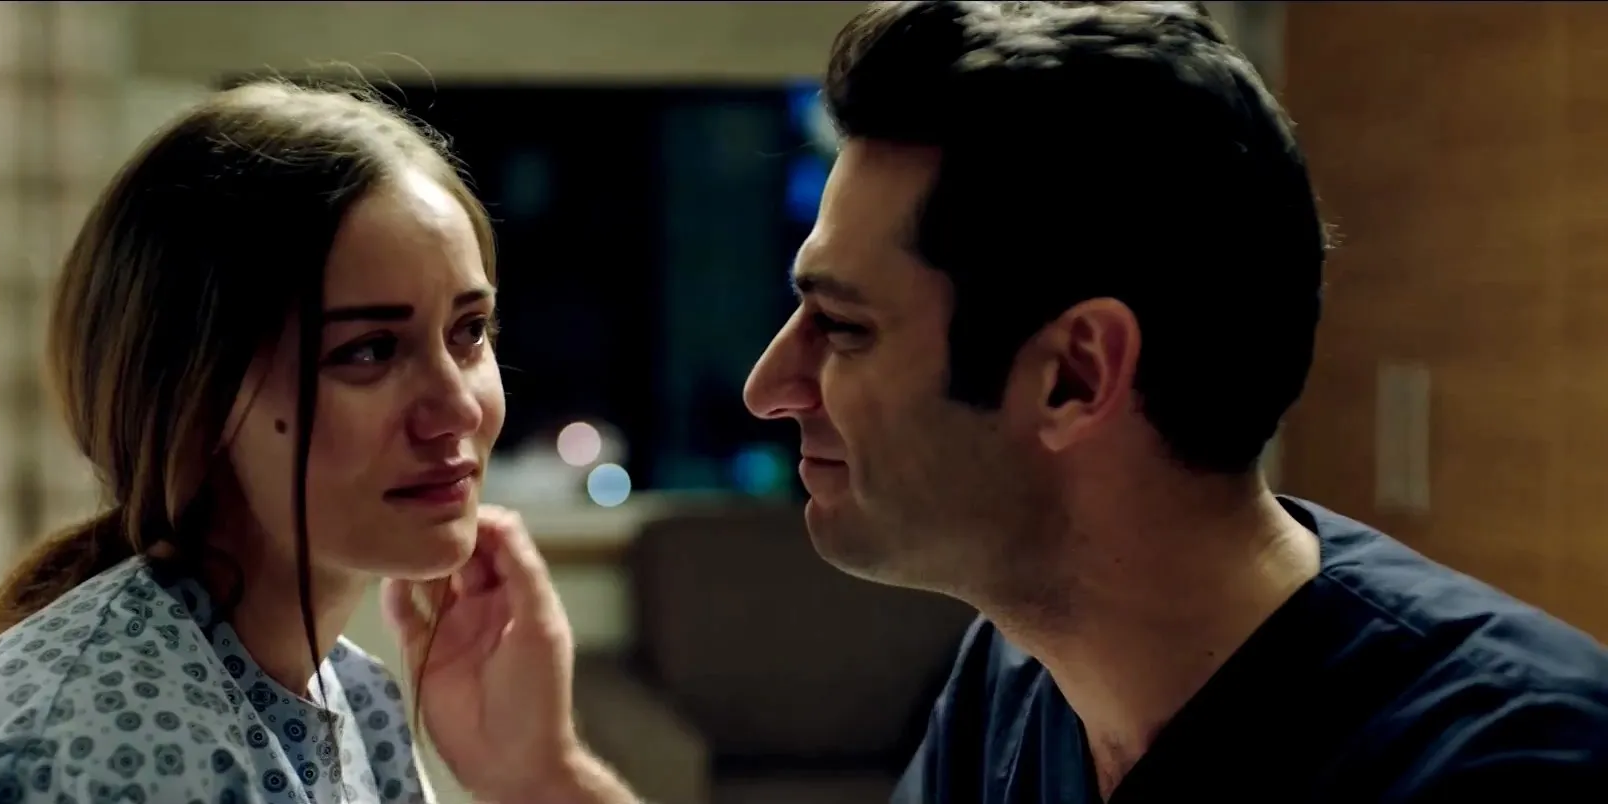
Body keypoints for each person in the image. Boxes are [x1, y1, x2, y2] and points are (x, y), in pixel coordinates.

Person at [390, 2, 1608, 803]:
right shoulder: (1021, 682)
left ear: (1074, 375)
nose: (769, 386)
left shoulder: (1514, 763)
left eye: (844, 328)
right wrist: (545, 775)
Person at [0, 81, 511, 804]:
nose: (457, 408)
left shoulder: (358, 701)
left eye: (468, 332)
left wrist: (538, 767)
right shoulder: (108, 751)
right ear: (195, 396)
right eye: (368, 350)